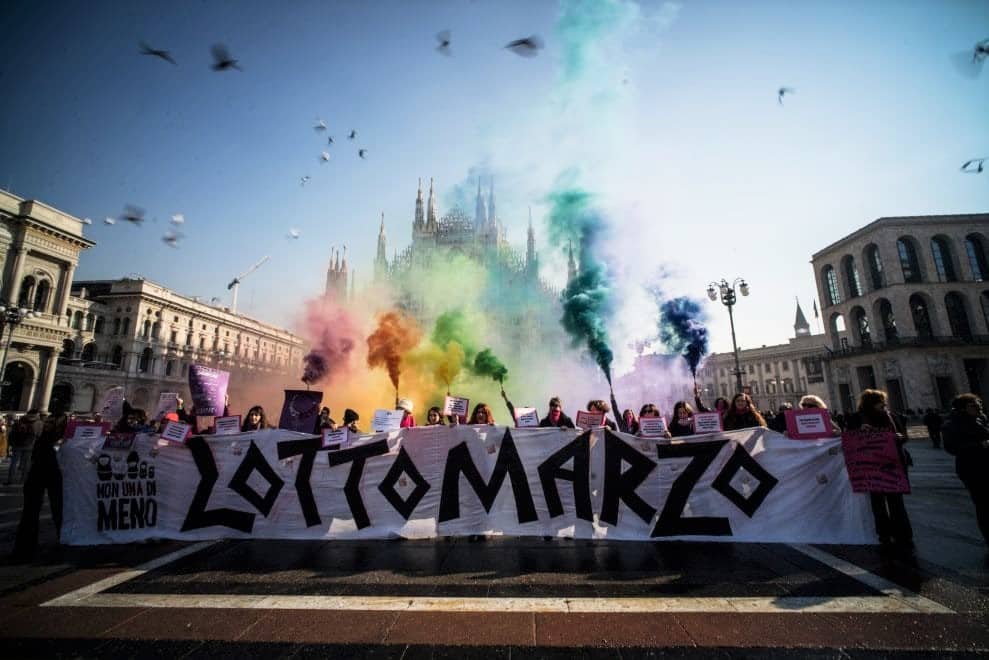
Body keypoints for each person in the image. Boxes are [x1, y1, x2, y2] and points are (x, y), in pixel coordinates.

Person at [846, 389, 913, 550]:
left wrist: (899, 437)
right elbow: (850, 438)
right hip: (871, 465)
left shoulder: (891, 416)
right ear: (871, 403)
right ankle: (884, 533)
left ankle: (902, 533)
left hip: (894, 463)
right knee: (877, 502)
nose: (883, 404)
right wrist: (860, 432)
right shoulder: (857, 418)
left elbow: (904, 436)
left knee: (896, 500)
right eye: (880, 402)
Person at [11, 416, 63, 561]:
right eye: (47, 423)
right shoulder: (48, 440)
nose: (47, 425)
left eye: (51, 423)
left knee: (54, 510)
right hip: (42, 477)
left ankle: (25, 547)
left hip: (46, 477)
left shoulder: (54, 441)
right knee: (37, 511)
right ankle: (26, 546)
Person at [942, 393, 989, 546]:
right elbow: (951, 447)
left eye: (979, 404)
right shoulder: (952, 424)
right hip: (972, 469)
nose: (978, 407)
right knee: (983, 504)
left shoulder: (981, 419)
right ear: (963, 408)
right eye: (973, 405)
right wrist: (980, 445)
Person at [5, 415, 37, 485]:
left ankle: (10, 479)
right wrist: (30, 444)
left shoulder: (16, 426)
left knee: (13, 463)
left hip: (17, 446)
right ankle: (23, 480)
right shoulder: (30, 427)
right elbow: (32, 436)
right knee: (26, 464)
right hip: (27, 447)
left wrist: (12, 444)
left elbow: (11, 436)